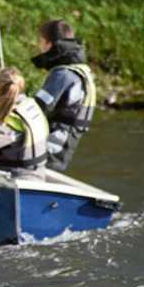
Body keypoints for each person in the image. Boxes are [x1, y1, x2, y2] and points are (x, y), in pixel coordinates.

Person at [31, 19, 96, 172]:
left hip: (47, 153)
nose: (39, 47)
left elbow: (36, 110)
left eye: (41, 42)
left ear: (49, 44)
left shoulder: (62, 75)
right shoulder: (81, 71)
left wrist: (2, 113)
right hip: (61, 153)